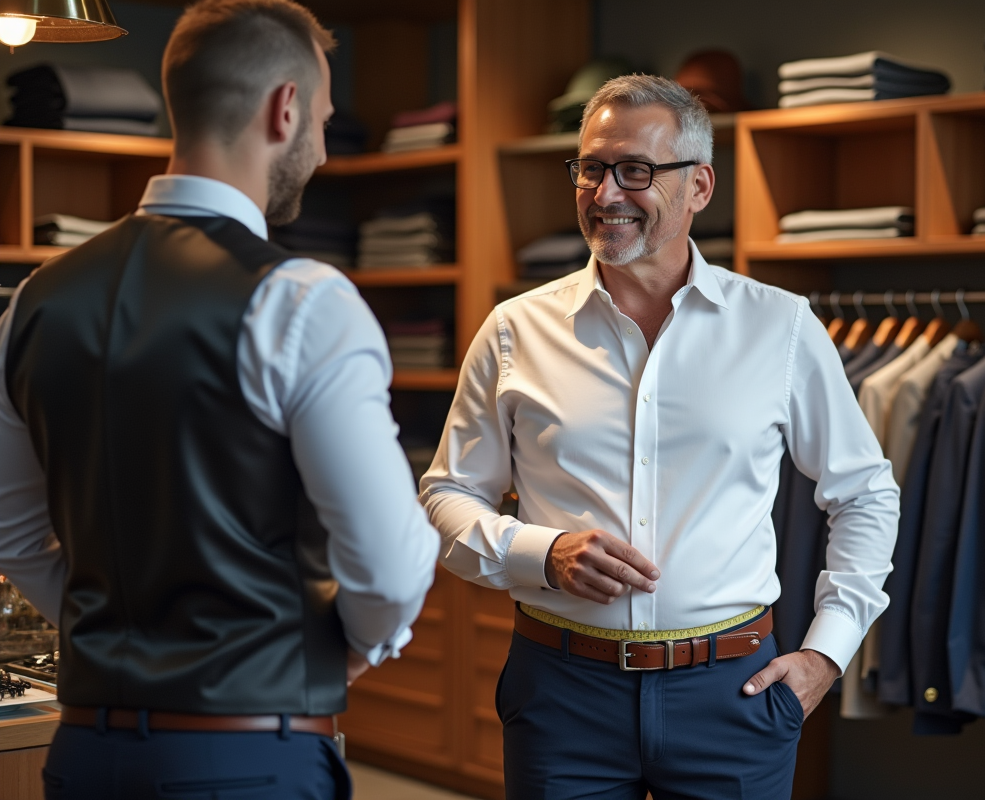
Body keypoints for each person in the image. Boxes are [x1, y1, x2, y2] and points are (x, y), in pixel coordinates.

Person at [0, 1, 439, 797]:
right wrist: (344, 648)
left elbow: (16, 531)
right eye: (324, 120)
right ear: (286, 108)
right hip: (245, 761)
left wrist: (123, 636)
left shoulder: (32, 301)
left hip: (84, 757)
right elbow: (389, 559)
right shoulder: (302, 301)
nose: (321, 155)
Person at [421, 75, 900, 799]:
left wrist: (826, 655)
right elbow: (449, 492)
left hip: (734, 697)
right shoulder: (514, 330)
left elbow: (865, 493)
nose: (605, 192)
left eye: (636, 171)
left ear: (700, 187)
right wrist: (540, 553)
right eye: (590, 168)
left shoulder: (782, 327)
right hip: (561, 694)